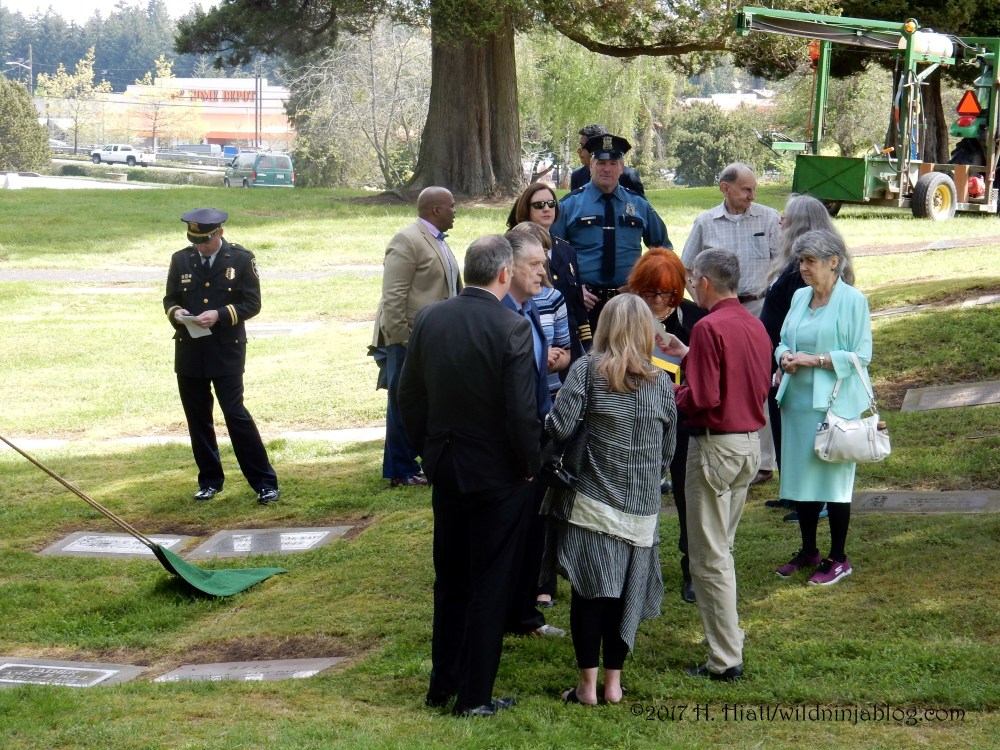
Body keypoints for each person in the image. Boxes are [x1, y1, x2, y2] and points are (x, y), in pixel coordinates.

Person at [398, 235, 541, 718]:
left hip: (447, 466)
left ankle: (443, 684)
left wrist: (427, 449)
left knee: (451, 578)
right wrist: (528, 466)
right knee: (490, 583)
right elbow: (521, 413)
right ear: (504, 274)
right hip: (498, 475)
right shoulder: (511, 327)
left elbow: (408, 397)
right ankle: (474, 696)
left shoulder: (431, 318)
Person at [542, 293, 676, 705]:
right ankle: (614, 684)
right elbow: (667, 452)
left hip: (594, 503)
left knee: (589, 593)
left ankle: (587, 687)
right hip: (641, 511)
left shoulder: (586, 370)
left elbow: (560, 428)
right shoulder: (663, 382)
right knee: (623, 596)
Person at [660, 249, 772, 682]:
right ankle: (729, 643)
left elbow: (704, 397)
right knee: (721, 550)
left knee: (709, 559)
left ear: (704, 281)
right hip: (748, 446)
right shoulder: (752, 324)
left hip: (714, 448)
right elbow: (739, 378)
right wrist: (689, 354)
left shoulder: (708, 326)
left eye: (691, 278)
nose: (689, 285)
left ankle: (725, 658)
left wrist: (662, 394)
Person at [774, 229, 872, 586]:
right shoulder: (799, 297)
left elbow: (862, 356)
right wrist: (783, 355)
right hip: (797, 401)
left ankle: (839, 557)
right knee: (801, 478)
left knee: (833, 481)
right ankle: (809, 550)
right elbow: (783, 339)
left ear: (834, 262)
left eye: (810, 261)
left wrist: (816, 360)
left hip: (834, 404)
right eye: (801, 261)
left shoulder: (853, 301)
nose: (803, 267)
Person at [163, 208, 280, 505]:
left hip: (226, 349)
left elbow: (251, 304)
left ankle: (264, 482)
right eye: (196, 241)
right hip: (190, 349)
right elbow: (171, 299)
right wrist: (177, 313)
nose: (200, 247)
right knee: (197, 418)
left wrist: (219, 314)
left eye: (205, 241)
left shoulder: (240, 259)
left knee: (235, 414)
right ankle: (210, 480)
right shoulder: (181, 259)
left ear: (220, 233)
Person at [681, 162, 781, 486]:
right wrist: (703, 300)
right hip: (719, 312)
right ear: (725, 188)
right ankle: (725, 443)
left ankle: (764, 461)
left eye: (754, 190)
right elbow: (685, 267)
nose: (752, 196)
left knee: (759, 379)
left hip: (758, 308)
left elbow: (783, 263)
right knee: (722, 378)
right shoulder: (705, 221)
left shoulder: (767, 218)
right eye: (746, 189)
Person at [759, 195, 851, 521]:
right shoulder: (795, 264)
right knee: (786, 426)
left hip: (800, 364)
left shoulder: (809, 269)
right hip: (784, 359)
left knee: (807, 432)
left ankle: (813, 500)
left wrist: (795, 359)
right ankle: (794, 493)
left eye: (786, 217)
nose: (780, 221)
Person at [626, 248, 708, 604]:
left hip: (683, 420)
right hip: (637, 421)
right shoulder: (625, 315)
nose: (659, 301)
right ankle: (637, 570)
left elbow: (706, 374)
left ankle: (693, 566)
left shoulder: (695, 318)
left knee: (688, 495)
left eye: (667, 294)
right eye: (650, 293)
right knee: (638, 496)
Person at [372, 187, 462, 488]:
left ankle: (420, 460)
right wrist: (403, 339)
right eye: (451, 206)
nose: (455, 210)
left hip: (434, 339)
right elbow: (393, 297)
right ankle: (400, 467)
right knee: (402, 401)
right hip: (408, 341)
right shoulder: (407, 240)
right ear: (435, 210)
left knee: (426, 401)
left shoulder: (438, 241)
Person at [500, 226, 566, 635]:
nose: (544, 272)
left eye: (545, 262)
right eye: (535, 265)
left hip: (536, 440)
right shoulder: (501, 316)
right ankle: (510, 613)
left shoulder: (529, 309)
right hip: (510, 451)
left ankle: (525, 613)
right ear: (509, 268)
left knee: (533, 532)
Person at [550, 133, 670, 332]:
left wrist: (643, 283)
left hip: (629, 301)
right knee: (585, 361)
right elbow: (551, 256)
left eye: (613, 163)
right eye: (600, 163)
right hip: (584, 303)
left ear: (621, 168)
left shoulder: (639, 205)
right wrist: (573, 288)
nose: (607, 169)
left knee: (631, 359)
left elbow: (662, 250)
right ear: (591, 166)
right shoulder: (570, 205)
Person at [508, 182, 591, 358]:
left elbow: (577, 304)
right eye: (539, 205)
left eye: (551, 204)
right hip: (528, 345)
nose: (546, 209)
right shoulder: (509, 247)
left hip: (566, 346)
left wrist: (586, 343)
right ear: (526, 209)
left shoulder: (567, 250)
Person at [570, 124, 646, 195]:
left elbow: (639, 206)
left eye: (583, 146)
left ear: (595, 146)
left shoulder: (628, 176)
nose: (578, 150)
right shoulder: (577, 175)